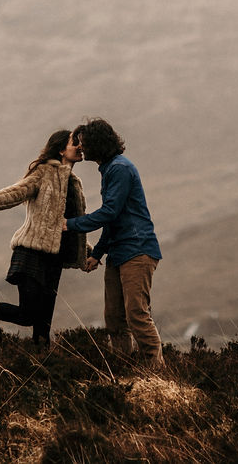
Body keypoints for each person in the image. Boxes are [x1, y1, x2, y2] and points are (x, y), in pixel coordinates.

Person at [0, 129, 88, 345]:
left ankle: (41, 370)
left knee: (43, 324)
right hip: (31, 254)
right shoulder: (43, 172)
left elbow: (66, 225)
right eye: (74, 142)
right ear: (60, 149)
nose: (80, 146)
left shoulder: (73, 183)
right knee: (28, 314)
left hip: (53, 260)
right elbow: (16, 192)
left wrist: (87, 251)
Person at [66, 118, 164, 365]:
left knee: (136, 315)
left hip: (137, 250)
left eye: (84, 142)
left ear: (97, 143)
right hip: (119, 252)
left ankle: (157, 371)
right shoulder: (110, 169)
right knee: (114, 318)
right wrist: (98, 253)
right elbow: (113, 219)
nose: (81, 147)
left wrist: (70, 224)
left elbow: (109, 212)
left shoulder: (120, 168)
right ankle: (124, 368)